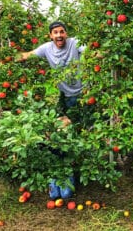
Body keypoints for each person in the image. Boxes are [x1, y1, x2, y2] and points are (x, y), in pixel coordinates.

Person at [18, 21, 86, 199]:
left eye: (61, 32)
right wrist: (8, 57)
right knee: (60, 134)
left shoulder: (75, 43)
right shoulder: (47, 48)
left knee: (75, 133)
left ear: (66, 33)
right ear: (50, 35)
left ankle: (72, 173)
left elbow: (93, 52)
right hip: (64, 96)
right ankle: (59, 176)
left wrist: (108, 53)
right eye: (55, 32)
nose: (59, 35)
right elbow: (28, 55)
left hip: (82, 96)